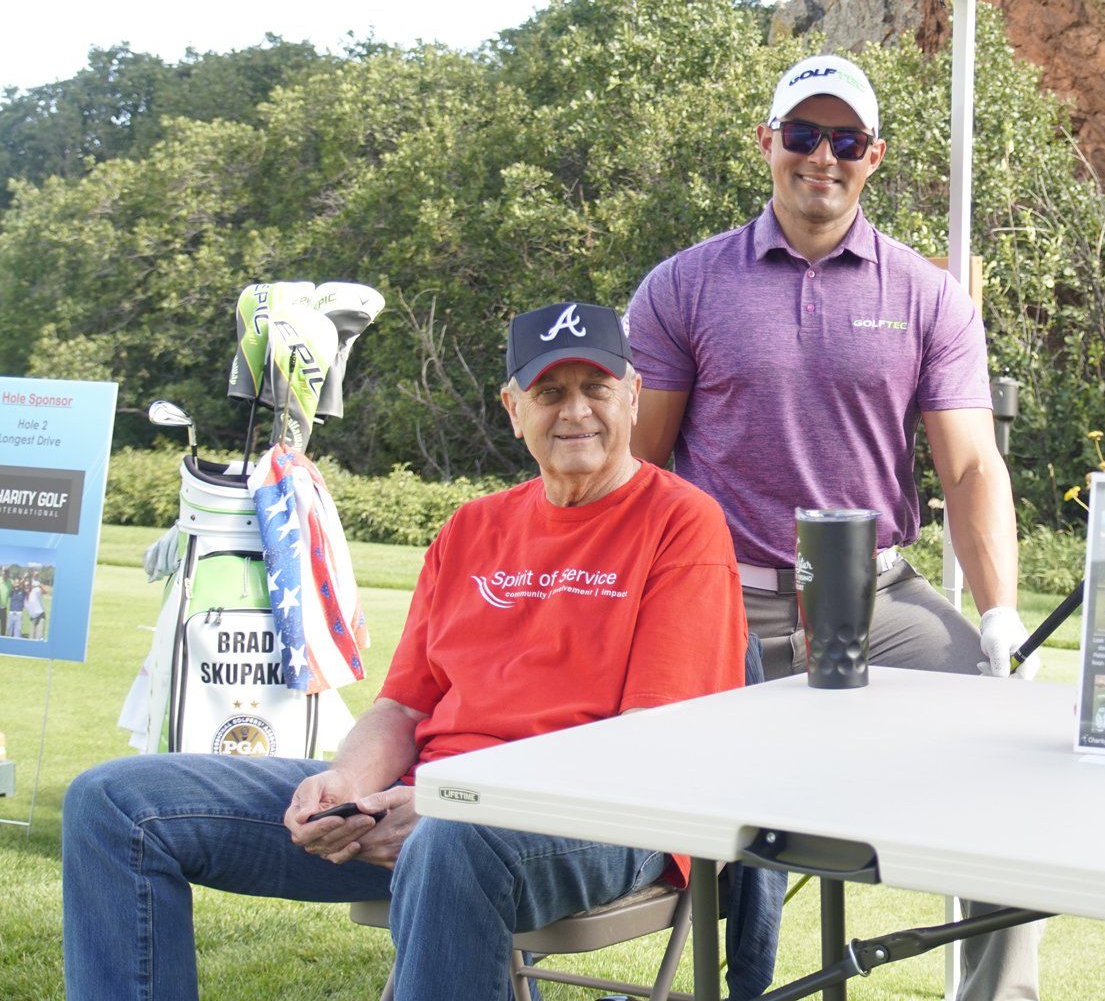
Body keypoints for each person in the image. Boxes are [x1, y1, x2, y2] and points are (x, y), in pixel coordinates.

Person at [62, 302, 749, 1001]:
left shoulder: (680, 522)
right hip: (427, 807)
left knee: (453, 840)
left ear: (632, 398)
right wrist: (348, 786)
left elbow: (648, 746)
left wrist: (452, 800)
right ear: (514, 409)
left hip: (603, 818)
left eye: (596, 388)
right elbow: (402, 705)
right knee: (115, 803)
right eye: (549, 392)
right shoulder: (473, 528)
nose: (575, 411)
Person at [626, 53, 1041, 1001]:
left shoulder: (927, 295)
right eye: (804, 135)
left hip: (878, 597)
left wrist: (1002, 610)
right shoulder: (685, 286)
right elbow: (638, 469)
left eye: (845, 140)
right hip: (721, 594)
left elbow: (971, 464)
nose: (823, 157)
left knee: (1012, 763)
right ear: (767, 143)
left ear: (874, 157)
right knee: (715, 804)